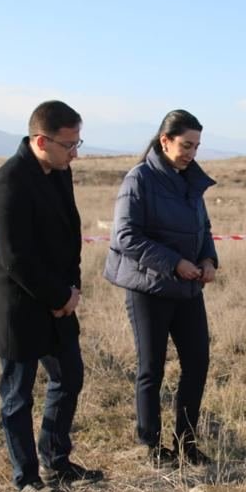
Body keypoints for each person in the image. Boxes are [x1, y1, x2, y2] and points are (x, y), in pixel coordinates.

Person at [0, 100, 103, 492]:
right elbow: (16, 259)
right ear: (40, 141)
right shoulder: (8, 183)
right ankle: (27, 479)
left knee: (69, 377)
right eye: (69, 145)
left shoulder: (60, 173)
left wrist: (71, 293)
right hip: (18, 307)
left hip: (60, 302)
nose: (75, 153)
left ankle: (56, 459)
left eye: (78, 143)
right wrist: (58, 296)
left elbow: (71, 236)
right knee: (17, 397)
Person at [103, 109, 218, 468]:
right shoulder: (138, 179)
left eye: (197, 146)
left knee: (197, 362)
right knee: (151, 367)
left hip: (187, 289)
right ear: (165, 141)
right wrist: (174, 263)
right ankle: (151, 446)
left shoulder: (191, 181)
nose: (191, 153)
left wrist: (208, 260)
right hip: (148, 288)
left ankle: (187, 443)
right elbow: (125, 236)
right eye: (186, 145)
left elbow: (203, 229)